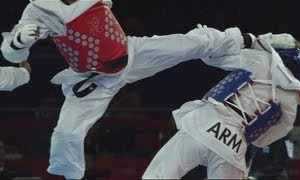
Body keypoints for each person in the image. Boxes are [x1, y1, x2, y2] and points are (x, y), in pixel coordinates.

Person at [0, 0, 274, 179]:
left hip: (133, 52)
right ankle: (69, 175)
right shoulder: (39, 10)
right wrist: (17, 43)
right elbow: (12, 53)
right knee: (66, 131)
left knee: (191, 43)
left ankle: (254, 40)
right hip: (93, 78)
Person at [142, 30, 300, 179]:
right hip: (235, 145)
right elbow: (266, 139)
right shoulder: (291, 104)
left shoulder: (261, 59)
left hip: (204, 124)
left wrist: (251, 40)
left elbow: (213, 57)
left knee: (159, 175)